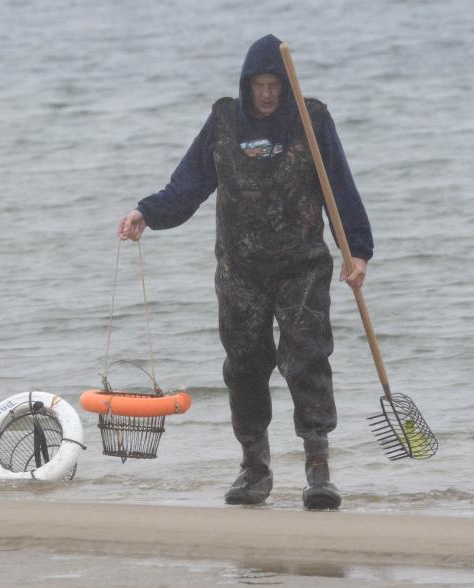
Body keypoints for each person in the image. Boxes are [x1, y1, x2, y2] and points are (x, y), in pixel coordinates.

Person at [118, 34, 373, 510]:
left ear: (285, 84)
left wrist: (356, 251)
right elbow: (187, 186)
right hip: (240, 272)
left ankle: (318, 470)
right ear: (245, 84)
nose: (267, 93)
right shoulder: (223, 123)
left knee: (307, 361)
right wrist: (146, 214)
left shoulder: (311, 119)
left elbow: (340, 187)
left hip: (303, 268)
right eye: (258, 84)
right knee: (244, 368)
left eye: (274, 83)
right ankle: (254, 468)